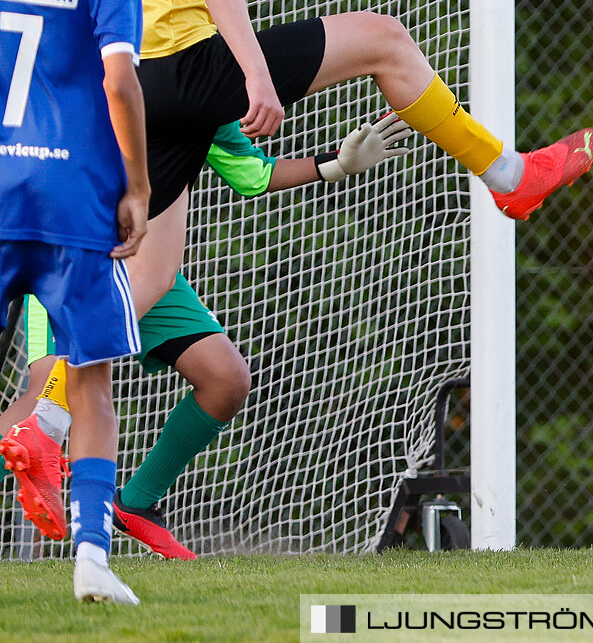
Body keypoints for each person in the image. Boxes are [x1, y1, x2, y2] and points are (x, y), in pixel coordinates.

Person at [116, 0, 593, 556]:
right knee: (385, 39)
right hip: (189, 67)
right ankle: (509, 173)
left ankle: (48, 416)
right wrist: (254, 75)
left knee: (150, 275)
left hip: (144, 78)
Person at [0, 115, 409, 553]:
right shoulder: (106, 69)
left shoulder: (205, 87)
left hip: (149, 269)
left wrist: (336, 164)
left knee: (225, 379)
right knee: (40, 406)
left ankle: (136, 503)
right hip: (71, 252)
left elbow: (251, 173)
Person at [0, 0, 148, 604]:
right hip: (72, 197)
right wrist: (138, 182)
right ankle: (92, 556)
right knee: (89, 379)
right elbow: (119, 78)